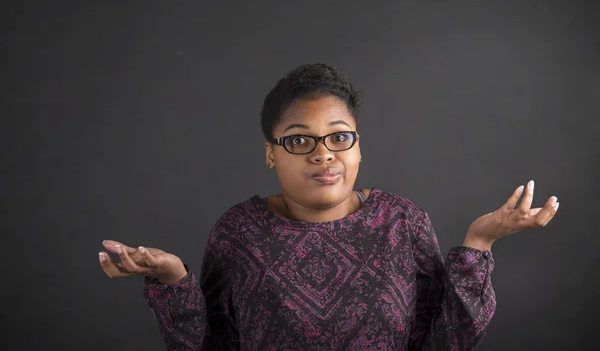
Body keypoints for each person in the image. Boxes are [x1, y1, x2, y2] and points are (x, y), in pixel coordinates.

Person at [98, 63, 560, 350]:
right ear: (271, 153)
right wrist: (172, 279)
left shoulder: (402, 222)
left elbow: (446, 343)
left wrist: (479, 243)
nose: (323, 154)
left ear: (358, 148)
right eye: (299, 139)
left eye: (339, 137)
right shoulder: (238, 232)